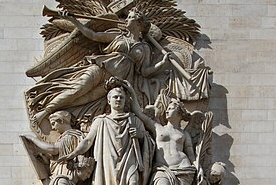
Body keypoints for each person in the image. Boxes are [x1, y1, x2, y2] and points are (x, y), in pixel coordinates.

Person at [30, 8, 173, 125]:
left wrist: (162, 64)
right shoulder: (118, 36)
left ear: (139, 24)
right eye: (128, 17)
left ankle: (60, 114)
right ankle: (45, 112)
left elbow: (145, 71)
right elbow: (92, 35)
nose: (127, 20)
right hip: (101, 68)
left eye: (130, 18)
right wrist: (74, 21)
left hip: (113, 82)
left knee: (85, 99)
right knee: (77, 90)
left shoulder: (145, 48)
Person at [61, 79, 154, 185]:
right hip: (108, 159)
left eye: (121, 97)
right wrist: (74, 153)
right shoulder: (100, 121)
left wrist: (140, 135)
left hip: (129, 158)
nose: (118, 99)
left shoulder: (133, 119)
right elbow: (88, 141)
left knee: (133, 184)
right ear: (109, 100)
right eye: (115, 97)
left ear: (125, 101)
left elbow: (148, 138)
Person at [123, 80, 200, 185]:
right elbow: (139, 112)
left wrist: (198, 167)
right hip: (162, 169)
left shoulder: (184, 134)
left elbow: (191, 155)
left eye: (171, 109)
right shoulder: (158, 127)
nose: (167, 111)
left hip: (184, 171)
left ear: (179, 113)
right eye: (167, 108)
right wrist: (131, 91)